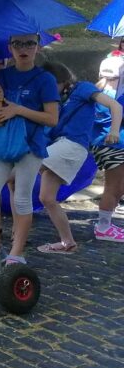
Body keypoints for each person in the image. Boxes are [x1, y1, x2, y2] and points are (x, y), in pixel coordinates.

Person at [0, 34, 59, 265]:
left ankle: (16, 254)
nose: (23, 48)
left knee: (22, 199)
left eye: (29, 43)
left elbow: (51, 118)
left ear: (38, 47)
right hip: (0, 146)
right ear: (10, 48)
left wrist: (18, 109)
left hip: (30, 147)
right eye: (17, 44)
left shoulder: (45, 79)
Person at [37, 61, 122, 254]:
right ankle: (68, 242)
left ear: (62, 81)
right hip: (59, 146)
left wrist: (114, 131)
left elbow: (115, 105)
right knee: (47, 198)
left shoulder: (82, 88)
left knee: (24, 168)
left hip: (73, 146)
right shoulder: (55, 103)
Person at [89, 52, 124, 241]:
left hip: (103, 146)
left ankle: (105, 224)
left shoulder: (97, 92)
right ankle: (103, 227)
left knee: (116, 186)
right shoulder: (117, 95)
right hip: (115, 147)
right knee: (114, 187)